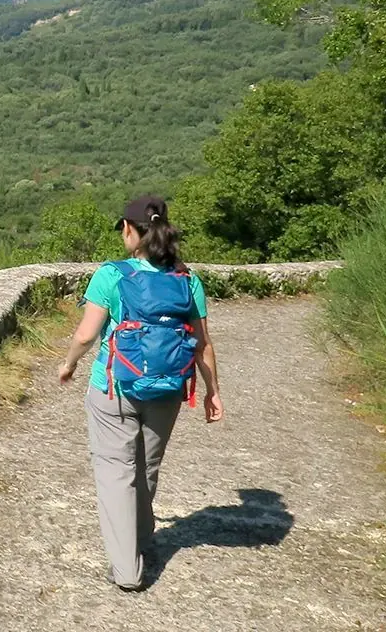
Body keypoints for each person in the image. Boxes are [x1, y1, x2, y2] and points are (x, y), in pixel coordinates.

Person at [54, 195, 223, 591]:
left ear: (130, 230)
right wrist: (213, 391)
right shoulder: (187, 280)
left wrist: (69, 363)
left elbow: (85, 334)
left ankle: (127, 569)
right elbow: (202, 344)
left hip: (115, 388)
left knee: (116, 474)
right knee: (146, 469)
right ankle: (143, 542)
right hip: (168, 390)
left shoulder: (112, 275)